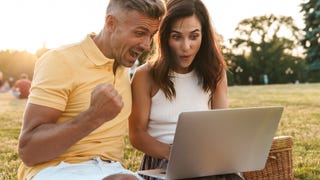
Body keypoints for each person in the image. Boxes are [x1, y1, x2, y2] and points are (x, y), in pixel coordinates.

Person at [17, 0, 165, 180]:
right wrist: (93, 116)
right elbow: (29, 151)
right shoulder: (60, 60)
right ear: (111, 23)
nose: (147, 45)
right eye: (140, 33)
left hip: (114, 170)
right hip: (57, 170)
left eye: (151, 35)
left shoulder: (125, 67)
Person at [129, 0, 243, 179]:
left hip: (205, 159)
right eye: (176, 37)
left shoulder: (216, 72)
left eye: (194, 36)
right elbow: (137, 135)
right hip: (162, 161)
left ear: (204, 35)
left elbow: (221, 126)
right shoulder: (144, 75)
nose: (186, 47)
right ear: (165, 37)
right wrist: (174, 154)